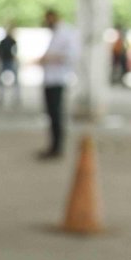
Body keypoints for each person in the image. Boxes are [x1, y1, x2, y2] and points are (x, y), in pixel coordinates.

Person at [36, 9, 80, 160]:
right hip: (49, 79)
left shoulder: (66, 32)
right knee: (51, 115)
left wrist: (49, 59)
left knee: (56, 115)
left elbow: (71, 56)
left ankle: (57, 147)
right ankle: (53, 146)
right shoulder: (56, 33)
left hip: (58, 79)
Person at [0, 22, 20, 109]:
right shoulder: (6, 41)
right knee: (2, 81)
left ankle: (15, 97)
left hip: (9, 61)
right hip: (6, 61)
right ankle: (1, 96)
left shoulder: (11, 41)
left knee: (14, 80)